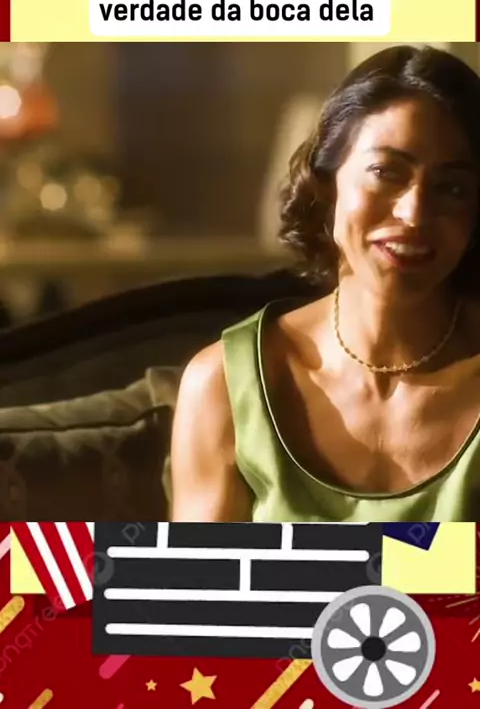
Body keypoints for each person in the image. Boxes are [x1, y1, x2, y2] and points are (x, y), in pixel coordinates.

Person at [171, 45, 480, 521]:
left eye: (452, 188)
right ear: (326, 183)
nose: (414, 214)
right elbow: (204, 573)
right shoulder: (224, 385)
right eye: (386, 172)